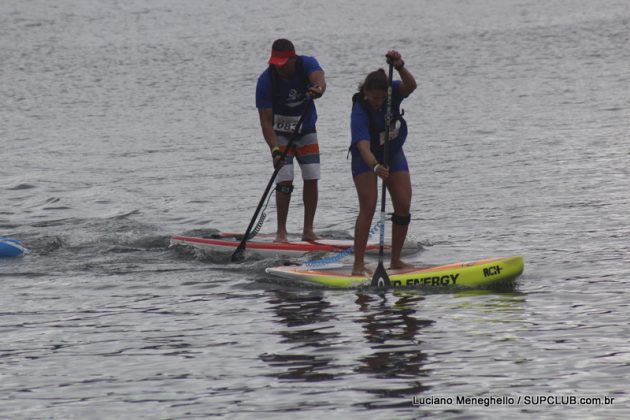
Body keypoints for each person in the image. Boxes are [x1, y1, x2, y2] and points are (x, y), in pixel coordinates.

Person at [349, 50, 417, 276]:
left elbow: (411, 86)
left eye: (382, 98)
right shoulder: (359, 110)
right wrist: (376, 167)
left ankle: (396, 260)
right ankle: (358, 265)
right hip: (366, 159)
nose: (378, 102)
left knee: (403, 204)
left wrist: (399, 65)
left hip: (392, 151)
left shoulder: (393, 92)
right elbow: (362, 147)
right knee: (369, 205)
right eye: (374, 98)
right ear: (365, 92)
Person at [255, 39, 326, 243]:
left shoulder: (307, 64)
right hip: (279, 133)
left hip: (306, 128)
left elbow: (319, 77)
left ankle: (308, 230)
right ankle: (281, 233)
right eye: (276, 62)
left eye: (284, 62)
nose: (280, 67)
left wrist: (318, 88)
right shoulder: (266, 80)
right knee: (284, 178)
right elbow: (266, 122)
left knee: (311, 176)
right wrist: (275, 151)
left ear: (293, 58)